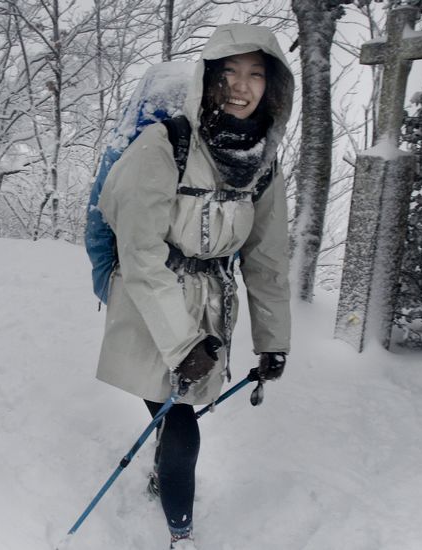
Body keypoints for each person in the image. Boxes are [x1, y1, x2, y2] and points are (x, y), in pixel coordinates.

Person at [94, 23, 295, 550]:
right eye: (229, 72)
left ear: (272, 85)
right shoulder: (166, 144)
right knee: (181, 417)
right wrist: (183, 345)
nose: (242, 86)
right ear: (208, 78)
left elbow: (266, 258)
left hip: (209, 304)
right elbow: (140, 253)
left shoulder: (263, 164)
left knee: (176, 410)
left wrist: (273, 341)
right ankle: (181, 535)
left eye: (256, 74)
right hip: (151, 297)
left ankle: (164, 474)